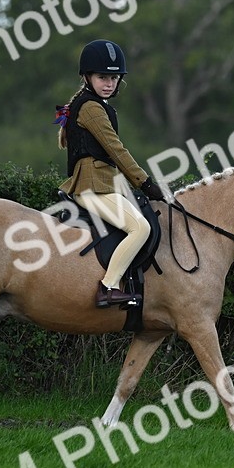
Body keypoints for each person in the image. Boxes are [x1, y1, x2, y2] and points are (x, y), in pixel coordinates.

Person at [56, 39, 167, 308]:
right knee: (139, 228)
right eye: (102, 77)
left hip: (103, 182)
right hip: (92, 185)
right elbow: (116, 149)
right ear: (87, 77)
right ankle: (108, 287)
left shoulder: (89, 104)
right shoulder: (91, 107)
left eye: (114, 78)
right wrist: (146, 182)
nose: (109, 83)